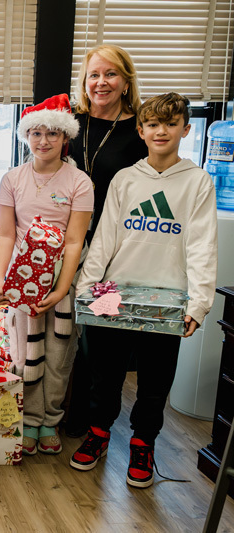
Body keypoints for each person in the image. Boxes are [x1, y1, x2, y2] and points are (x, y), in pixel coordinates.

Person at [70, 93, 217, 488]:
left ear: (186, 129)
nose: (161, 131)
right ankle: (99, 433)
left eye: (171, 124)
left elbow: (203, 244)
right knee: (105, 375)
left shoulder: (197, 181)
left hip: (168, 298)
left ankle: (142, 443)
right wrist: (87, 288)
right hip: (112, 292)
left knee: (154, 383)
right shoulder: (125, 178)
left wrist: (199, 304)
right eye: (153, 124)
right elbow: (104, 238)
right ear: (141, 131)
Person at [0, 94, 93, 456]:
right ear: (26, 136)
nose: (43, 140)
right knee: (25, 352)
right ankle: (29, 420)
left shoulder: (79, 182)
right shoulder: (12, 178)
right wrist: (0, 278)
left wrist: (62, 287)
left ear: (65, 137)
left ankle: (51, 418)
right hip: (22, 280)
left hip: (62, 282)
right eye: (35, 132)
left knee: (59, 352)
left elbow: (74, 241)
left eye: (52, 133)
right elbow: (6, 234)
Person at [64, 44, 150, 438]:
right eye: (94, 74)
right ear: (85, 81)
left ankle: (91, 418)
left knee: (98, 336)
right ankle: (54, 409)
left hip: (112, 251)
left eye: (111, 74)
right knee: (58, 331)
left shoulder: (139, 132)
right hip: (60, 244)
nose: (101, 82)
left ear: (126, 80)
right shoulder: (66, 123)